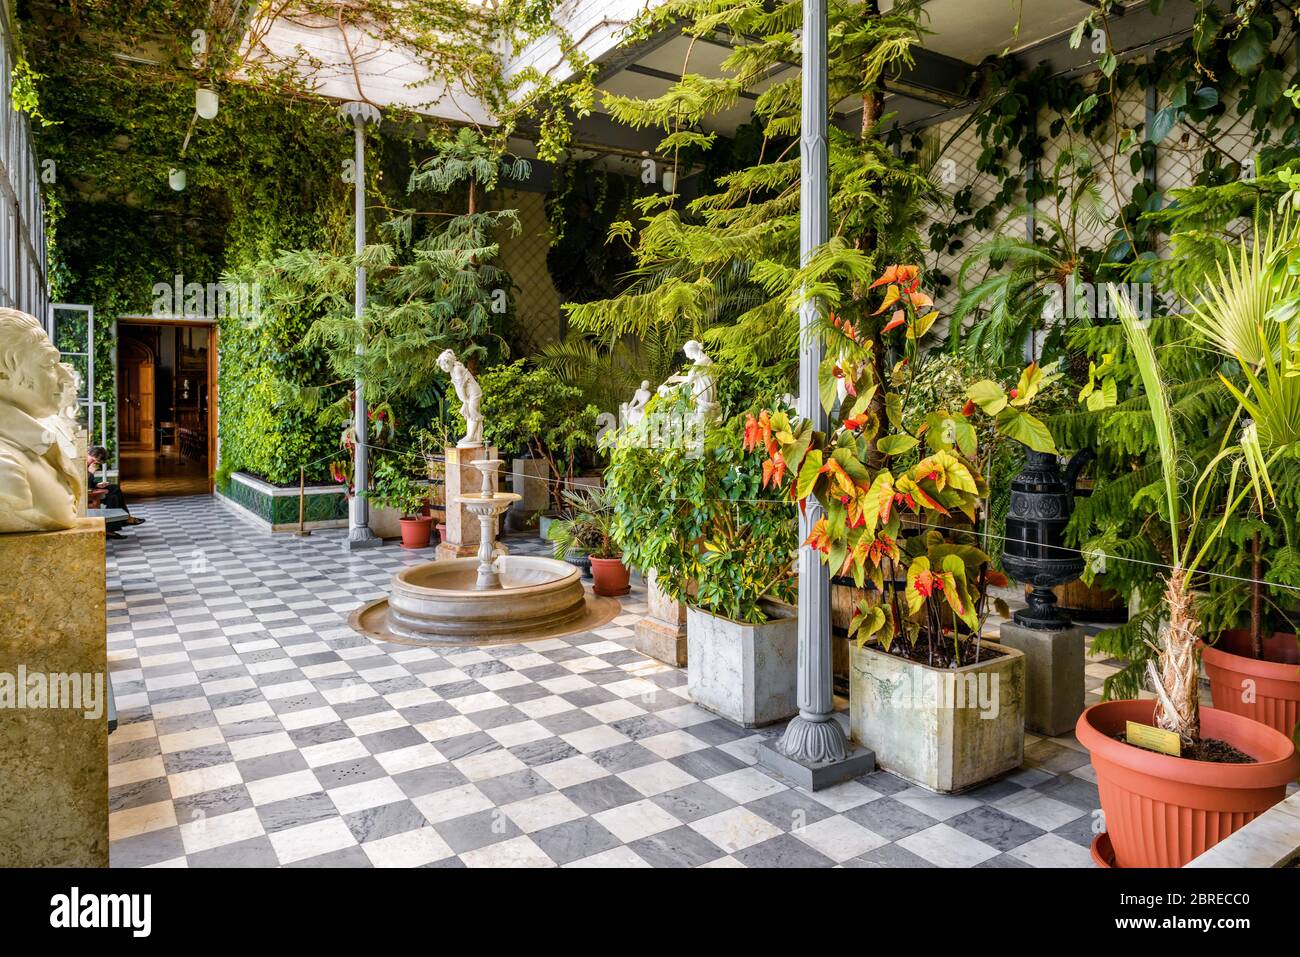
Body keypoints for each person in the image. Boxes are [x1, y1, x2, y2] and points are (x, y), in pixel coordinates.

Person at [87, 446, 144, 538]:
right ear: (89, 454)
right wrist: (90, 474)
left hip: (89, 488)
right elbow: (83, 485)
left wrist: (97, 485)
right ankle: (111, 529)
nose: (93, 463)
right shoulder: (82, 463)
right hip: (84, 493)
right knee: (113, 497)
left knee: (115, 488)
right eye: (93, 460)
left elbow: (89, 483)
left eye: (96, 462)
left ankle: (125, 518)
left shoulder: (87, 463)